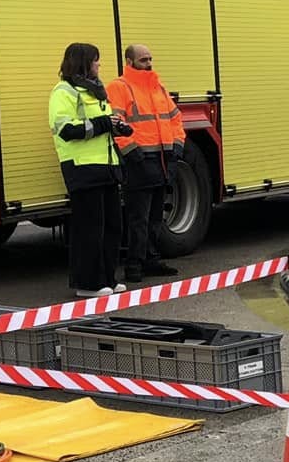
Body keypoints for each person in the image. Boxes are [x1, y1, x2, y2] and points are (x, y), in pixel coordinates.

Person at [47, 43, 130, 295]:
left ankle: (107, 279)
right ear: (83, 63)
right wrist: (104, 123)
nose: (99, 64)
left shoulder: (95, 91)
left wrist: (116, 127)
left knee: (112, 227)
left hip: (106, 167)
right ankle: (87, 284)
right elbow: (66, 129)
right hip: (82, 169)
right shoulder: (64, 91)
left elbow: (100, 127)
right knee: (89, 229)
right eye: (95, 60)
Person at [105, 43, 185, 283]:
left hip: (162, 159)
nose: (149, 63)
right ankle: (134, 264)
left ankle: (151, 259)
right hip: (139, 161)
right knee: (138, 218)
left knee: (155, 217)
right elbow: (115, 124)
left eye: (150, 59)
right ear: (129, 62)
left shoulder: (157, 86)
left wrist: (177, 146)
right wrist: (132, 153)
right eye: (143, 60)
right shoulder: (119, 87)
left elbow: (175, 119)